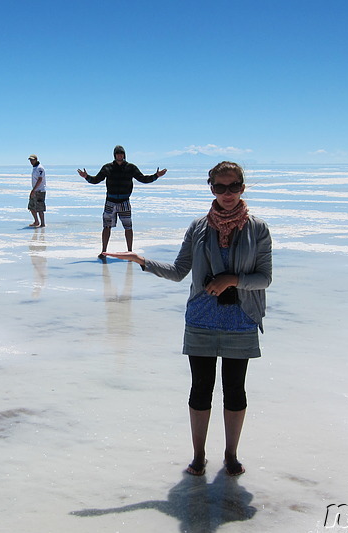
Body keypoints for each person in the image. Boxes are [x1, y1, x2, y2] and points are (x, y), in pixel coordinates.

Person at [106, 161, 272, 478]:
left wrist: (231, 280)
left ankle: (231, 454)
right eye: (220, 187)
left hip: (241, 318)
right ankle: (198, 455)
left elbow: (264, 277)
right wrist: (142, 260)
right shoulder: (198, 227)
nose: (227, 193)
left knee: (235, 390)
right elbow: (180, 271)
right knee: (200, 389)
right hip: (201, 318)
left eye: (233, 186)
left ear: (242, 187)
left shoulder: (258, 229)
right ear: (211, 188)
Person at [77, 145, 167, 261]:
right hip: (110, 202)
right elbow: (96, 180)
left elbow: (143, 179)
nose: (120, 155)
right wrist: (87, 177)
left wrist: (156, 176)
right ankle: (103, 251)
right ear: (114, 155)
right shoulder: (107, 168)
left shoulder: (131, 167)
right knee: (106, 227)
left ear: (124, 155)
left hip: (124, 202)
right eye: (117, 153)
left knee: (128, 227)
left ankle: (130, 252)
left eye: (121, 153)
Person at [27, 154, 46, 227]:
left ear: (36, 160)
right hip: (35, 190)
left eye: (32, 160)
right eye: (30, 160)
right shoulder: (34, 168)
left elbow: (40, 179)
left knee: (40, 208)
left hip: (40, 190)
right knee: (31, 206)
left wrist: (34, 190)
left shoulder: (39, 168)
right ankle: (36, 221)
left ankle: (42, 223)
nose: (31, 161)